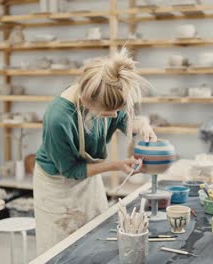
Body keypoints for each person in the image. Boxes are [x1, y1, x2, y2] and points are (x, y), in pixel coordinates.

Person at [33, 48, 157, 254]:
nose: (115, 115)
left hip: (88, 179)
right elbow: (71, 171)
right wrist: (117, 165)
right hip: (57, 185)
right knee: (61, 252)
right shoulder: (58, 118)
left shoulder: (106, 93)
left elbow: (124, 120)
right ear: (87, 100)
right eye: (109, 112)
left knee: (95, 240)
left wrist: (142, 124)